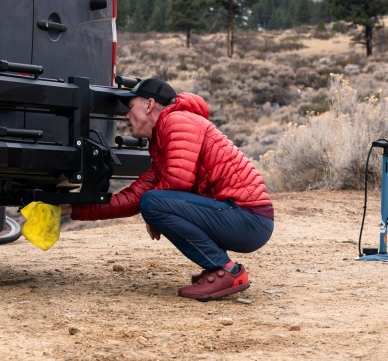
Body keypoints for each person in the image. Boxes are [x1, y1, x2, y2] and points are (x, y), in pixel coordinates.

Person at [60, 78, 274, 301]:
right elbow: (134, 198)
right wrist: (70, 209)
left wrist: (153, 214)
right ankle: (217, 268)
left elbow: (176, 183)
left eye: (130, 107)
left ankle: (226, 270)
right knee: (150, 201)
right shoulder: (163, 146)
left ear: (149, 105)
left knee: (152, 202)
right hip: (239, 217)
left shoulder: (177, 121)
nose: (125, 116)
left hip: (248, 218)